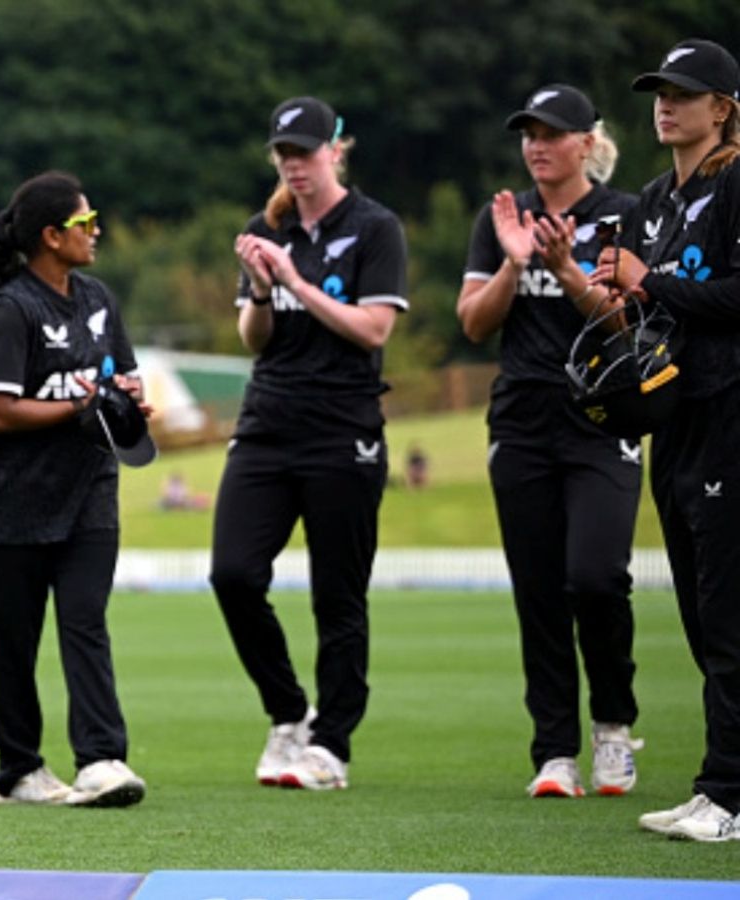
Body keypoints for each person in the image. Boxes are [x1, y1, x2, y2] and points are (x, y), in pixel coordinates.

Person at [210, 97, 407, 791]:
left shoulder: (375, 228)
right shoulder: (266, 227)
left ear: (337, 150)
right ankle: (288, 712)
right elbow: (253, 338)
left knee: (338, 595)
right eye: (283, 153)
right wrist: (263, 292)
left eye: (306, 150)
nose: (294, 164)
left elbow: (374, 330)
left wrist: (294, 281)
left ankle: (331, 744)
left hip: (343, 428)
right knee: (232, 575)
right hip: (267, 422)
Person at [456, 84, 644, 799]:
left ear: (586, 143)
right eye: (528, 133)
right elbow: (473, 322)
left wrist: (564, 268)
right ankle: (555, 749)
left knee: (595, 577)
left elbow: (627, 322)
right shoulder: (502, 216)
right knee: (537, 591)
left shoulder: (625, 215)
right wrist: (514, 261)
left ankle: (615, 728)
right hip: (522, 424)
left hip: (602, 421)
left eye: (552, 133)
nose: (536, 145)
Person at [577, 38, 740, 842]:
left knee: (729, 611)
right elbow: (648, 312)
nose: (665, 104)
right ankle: (719, 782)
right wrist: (612, 293)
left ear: (723, 107)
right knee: (702, 617)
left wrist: (652, 280)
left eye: (683, 92)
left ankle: (731, 794)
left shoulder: (739, 182)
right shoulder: (652, 200)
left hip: (731, 414)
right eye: (658, 91)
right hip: (674, 421)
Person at [0, 171, 148, 808]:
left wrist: (130, 400)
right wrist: (80, 407)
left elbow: (122, 376)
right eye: (83, 223)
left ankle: (101, 758)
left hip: (91, 489)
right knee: (13, 643)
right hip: (13, 502)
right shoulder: (8, 311)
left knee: (85, 620)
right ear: (50, 236)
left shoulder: (98, 297)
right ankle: (18, 771)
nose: (95, 231)